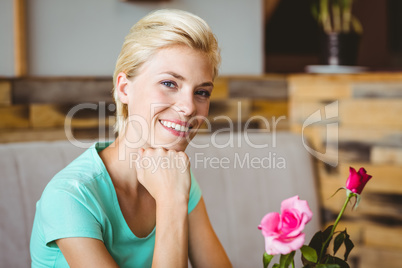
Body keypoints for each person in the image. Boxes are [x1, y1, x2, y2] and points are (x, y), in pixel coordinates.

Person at [30, 9, 231, 267]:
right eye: (169, 83)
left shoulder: (178, 179)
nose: (189, 107)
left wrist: (175, 195)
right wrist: (171, 202)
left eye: (201, 92)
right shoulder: (70, 196)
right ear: (125, 88)